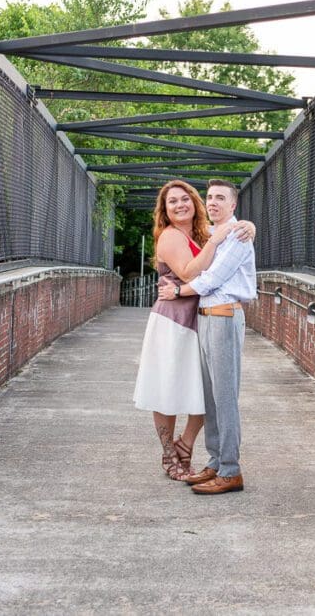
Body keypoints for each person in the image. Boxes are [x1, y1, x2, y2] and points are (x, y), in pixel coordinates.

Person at [132, 180, 254, 482]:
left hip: (200, 319)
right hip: (173, 320)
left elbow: (230, 231)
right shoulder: (172, 237)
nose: (180, 205)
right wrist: (217, 240)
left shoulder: (205, 232)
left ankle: (186, 445)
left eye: (185, 199)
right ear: (164, 210)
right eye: (172, 202)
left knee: (203, 391)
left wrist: (248, 225)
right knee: (167, 387)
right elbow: (189, 272)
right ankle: (170, 453)